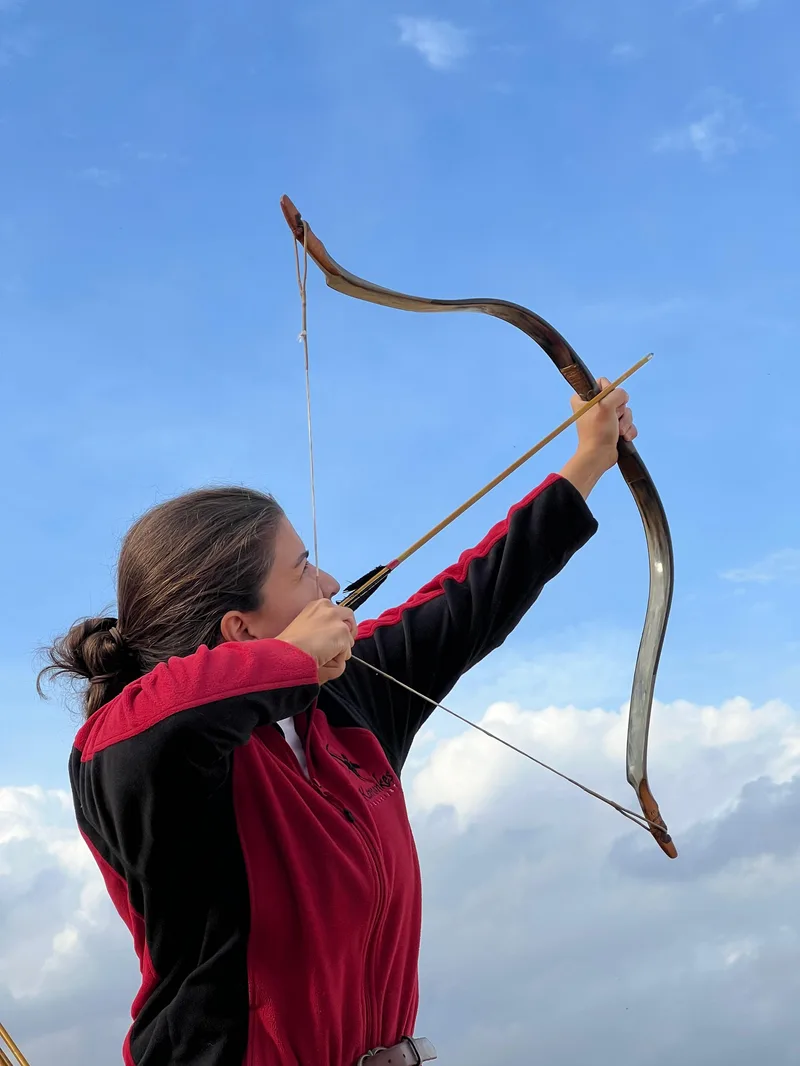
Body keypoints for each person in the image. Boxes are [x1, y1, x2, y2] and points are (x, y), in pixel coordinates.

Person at [40, 380, 637, 1066]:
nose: (328, 584)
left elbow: (473, 598)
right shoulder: (156, 761)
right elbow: (139, 728)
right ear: (241, 630)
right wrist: (288, 661)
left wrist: (591, 458)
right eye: (301, 571)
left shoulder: (349, 699)